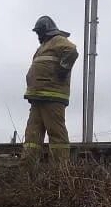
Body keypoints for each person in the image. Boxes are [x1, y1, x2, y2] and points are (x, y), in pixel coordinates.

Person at [22, 16, 78, 164]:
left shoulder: (57, 40)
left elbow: (72, 51)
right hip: (38, 96)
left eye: (40, 32)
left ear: (47, 29)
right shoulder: (43, 46)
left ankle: (60, 172)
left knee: (56, 134)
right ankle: (28, 170)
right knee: (32, 137)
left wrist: (62, 69)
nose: (38, 35)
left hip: (52, 96)